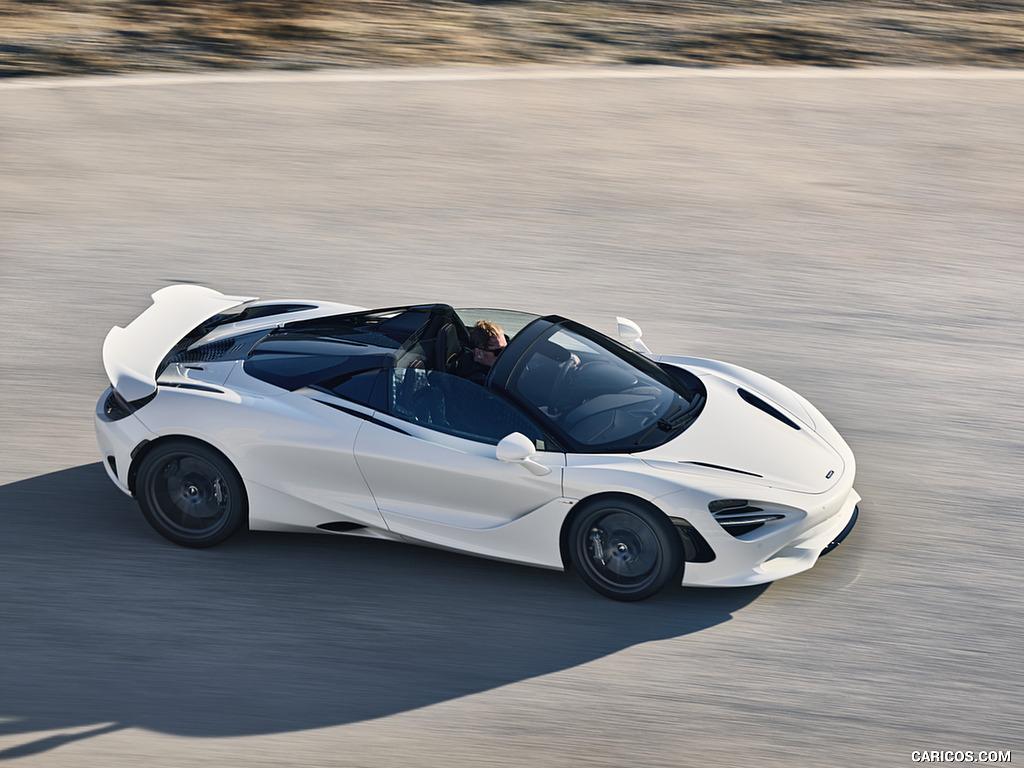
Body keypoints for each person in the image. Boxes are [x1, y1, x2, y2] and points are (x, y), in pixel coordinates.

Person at [459, 320, 507, 384]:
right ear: (479, 353)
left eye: (506, 349)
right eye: (498, 352)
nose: (505, 355)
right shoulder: (480, 381)